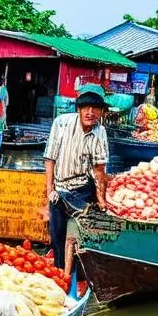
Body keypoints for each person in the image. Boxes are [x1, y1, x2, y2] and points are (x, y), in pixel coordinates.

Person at [42, 88, 110, 272]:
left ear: (102, 112)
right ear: (78, 110)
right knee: (57, 234)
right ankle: (60, 271)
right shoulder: (62, 124)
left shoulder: (100, 132)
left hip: (82, 188)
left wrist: (101, 198)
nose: (90, 113)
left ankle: (80, 273)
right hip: (60, 188)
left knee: (82, 233)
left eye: (95, 109)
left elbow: (99, 169)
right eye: (86, 108)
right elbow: (50, 158)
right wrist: (49, 189)